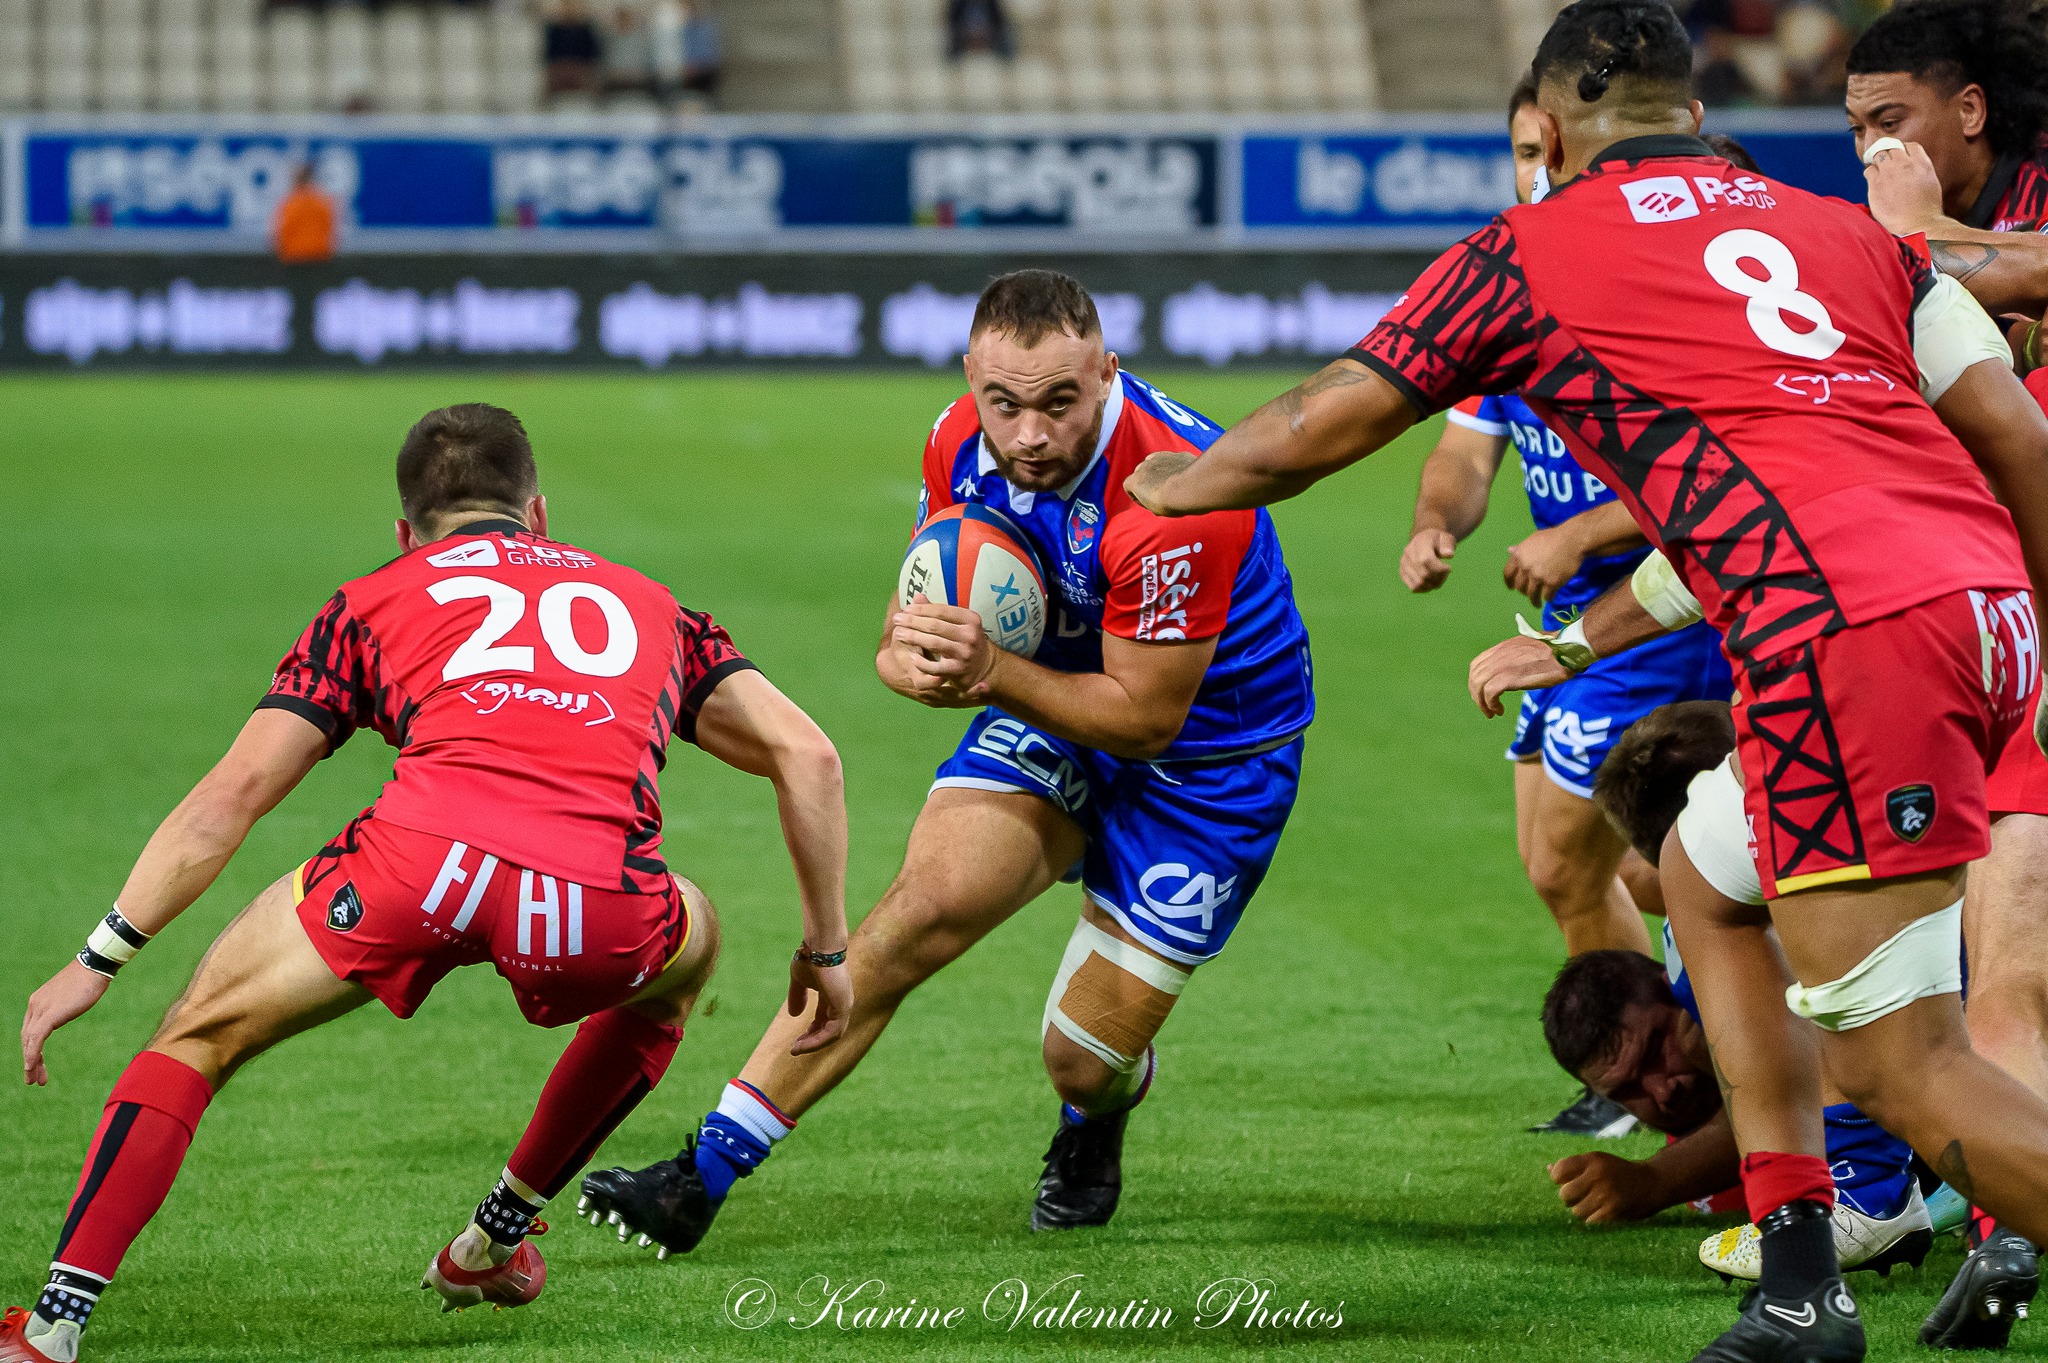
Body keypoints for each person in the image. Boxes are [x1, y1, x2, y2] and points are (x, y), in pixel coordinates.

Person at [1123, 3, 2048, 1358]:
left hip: (1843, 637)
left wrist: (1174, 484)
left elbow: (1314, 426)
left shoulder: (1526, 250)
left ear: (1546, 133)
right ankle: (1800, 1274)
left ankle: (1831, 1258)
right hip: (1978, 607)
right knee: (1707, 870)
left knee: (1907, 1070)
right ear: (1693, 106)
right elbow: (2013, 428)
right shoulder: (1843, 230)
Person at [2, 405, 851, 1363]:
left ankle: (49, 1328)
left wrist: (98, 958)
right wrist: (825, 949)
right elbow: (808, 757)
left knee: (198, 1035)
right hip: (592, 906)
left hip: (416, 870)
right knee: (688, 946)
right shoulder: (652, 604)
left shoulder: (372, 598)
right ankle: (494, 1235)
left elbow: (231, 795)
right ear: (539, 512)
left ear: (405, 531)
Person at [573, 269, 1315, 1255]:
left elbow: (1142, 719)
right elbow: (918, 611)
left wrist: (989, 670)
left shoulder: (1179, 488)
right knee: (911, 916)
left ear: (1107, 374)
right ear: (971, 378)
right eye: (1002, 402)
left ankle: (1096, 1120)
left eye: (1059, 402)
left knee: (1079, 1057)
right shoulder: (954, 440)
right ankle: (698, 1176)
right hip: (1052, 701)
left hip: (1207, 762)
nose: (1028, 435)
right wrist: (910, 658)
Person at [1401, 74, 1733, 1136]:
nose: (1531, 166)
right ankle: (1649, 1068)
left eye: (1541, 145)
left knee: (1660, 862)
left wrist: (1576, 535)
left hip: (1659, 614)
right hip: (1562, 626)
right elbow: (1463, 447)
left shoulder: (1647, 283)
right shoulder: (1514, 279)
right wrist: (1435, 523)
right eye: (1515, 149)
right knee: (1565, 869)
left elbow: (1717, 462)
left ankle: (1712, 1074)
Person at [1547, 701, 1933, 1284]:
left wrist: (1658, 1180)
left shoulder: (1717, 932)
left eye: (1654, 1051)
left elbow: (1788, 1078)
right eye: (1628, 1092)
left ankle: (1879, 1196)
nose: (1665, 1088)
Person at [1849, 0, 2048, 320]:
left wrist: (1923, 226)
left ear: (1969, 111)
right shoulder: (1873, 219)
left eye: (1889, 124)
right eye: (1857, 129)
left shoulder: (2041, 177)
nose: (1871, 151)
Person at [270, 162, 335, 265]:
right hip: (319, 255)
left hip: (295, 256)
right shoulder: (322, 201)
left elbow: (282, 229)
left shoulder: (291, 202)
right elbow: (329, 226)